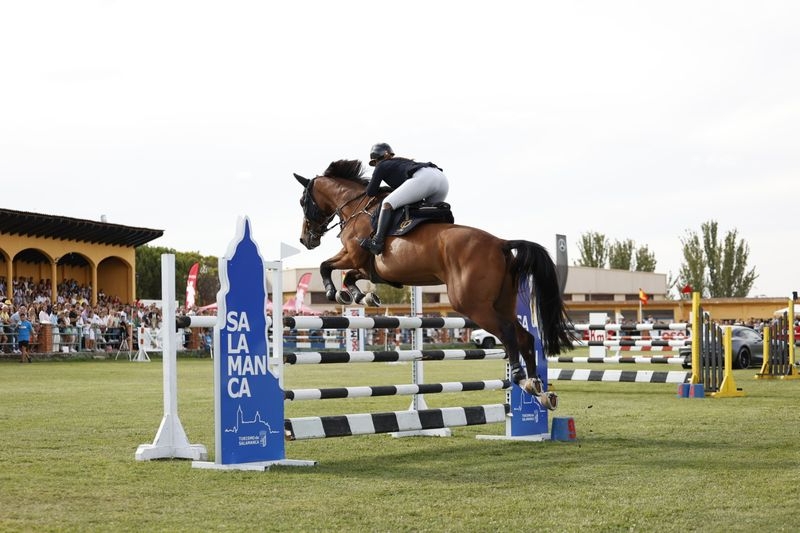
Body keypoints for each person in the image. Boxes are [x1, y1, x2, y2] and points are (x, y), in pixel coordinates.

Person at [358, 143, 449, 255]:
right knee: (429, 213)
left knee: (387, 203)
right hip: (440, 178)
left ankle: (377, 243)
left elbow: (370, 192)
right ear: (389, 154)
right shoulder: (399, 162)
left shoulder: (381, 165)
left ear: (375, 160)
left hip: (425, 178)